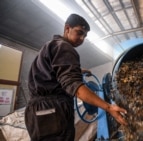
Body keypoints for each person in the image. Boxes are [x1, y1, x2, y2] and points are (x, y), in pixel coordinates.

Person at [24, 13, 127, 141]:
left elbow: (53, 72)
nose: (82, 38)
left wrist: (79, 70)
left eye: (85, 36)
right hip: (52, 110)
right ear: (67, 28)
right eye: (79, 32)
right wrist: (109, 107)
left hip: (39, 110)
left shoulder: (52, 45)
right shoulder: (64, 47)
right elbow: (75, 87)